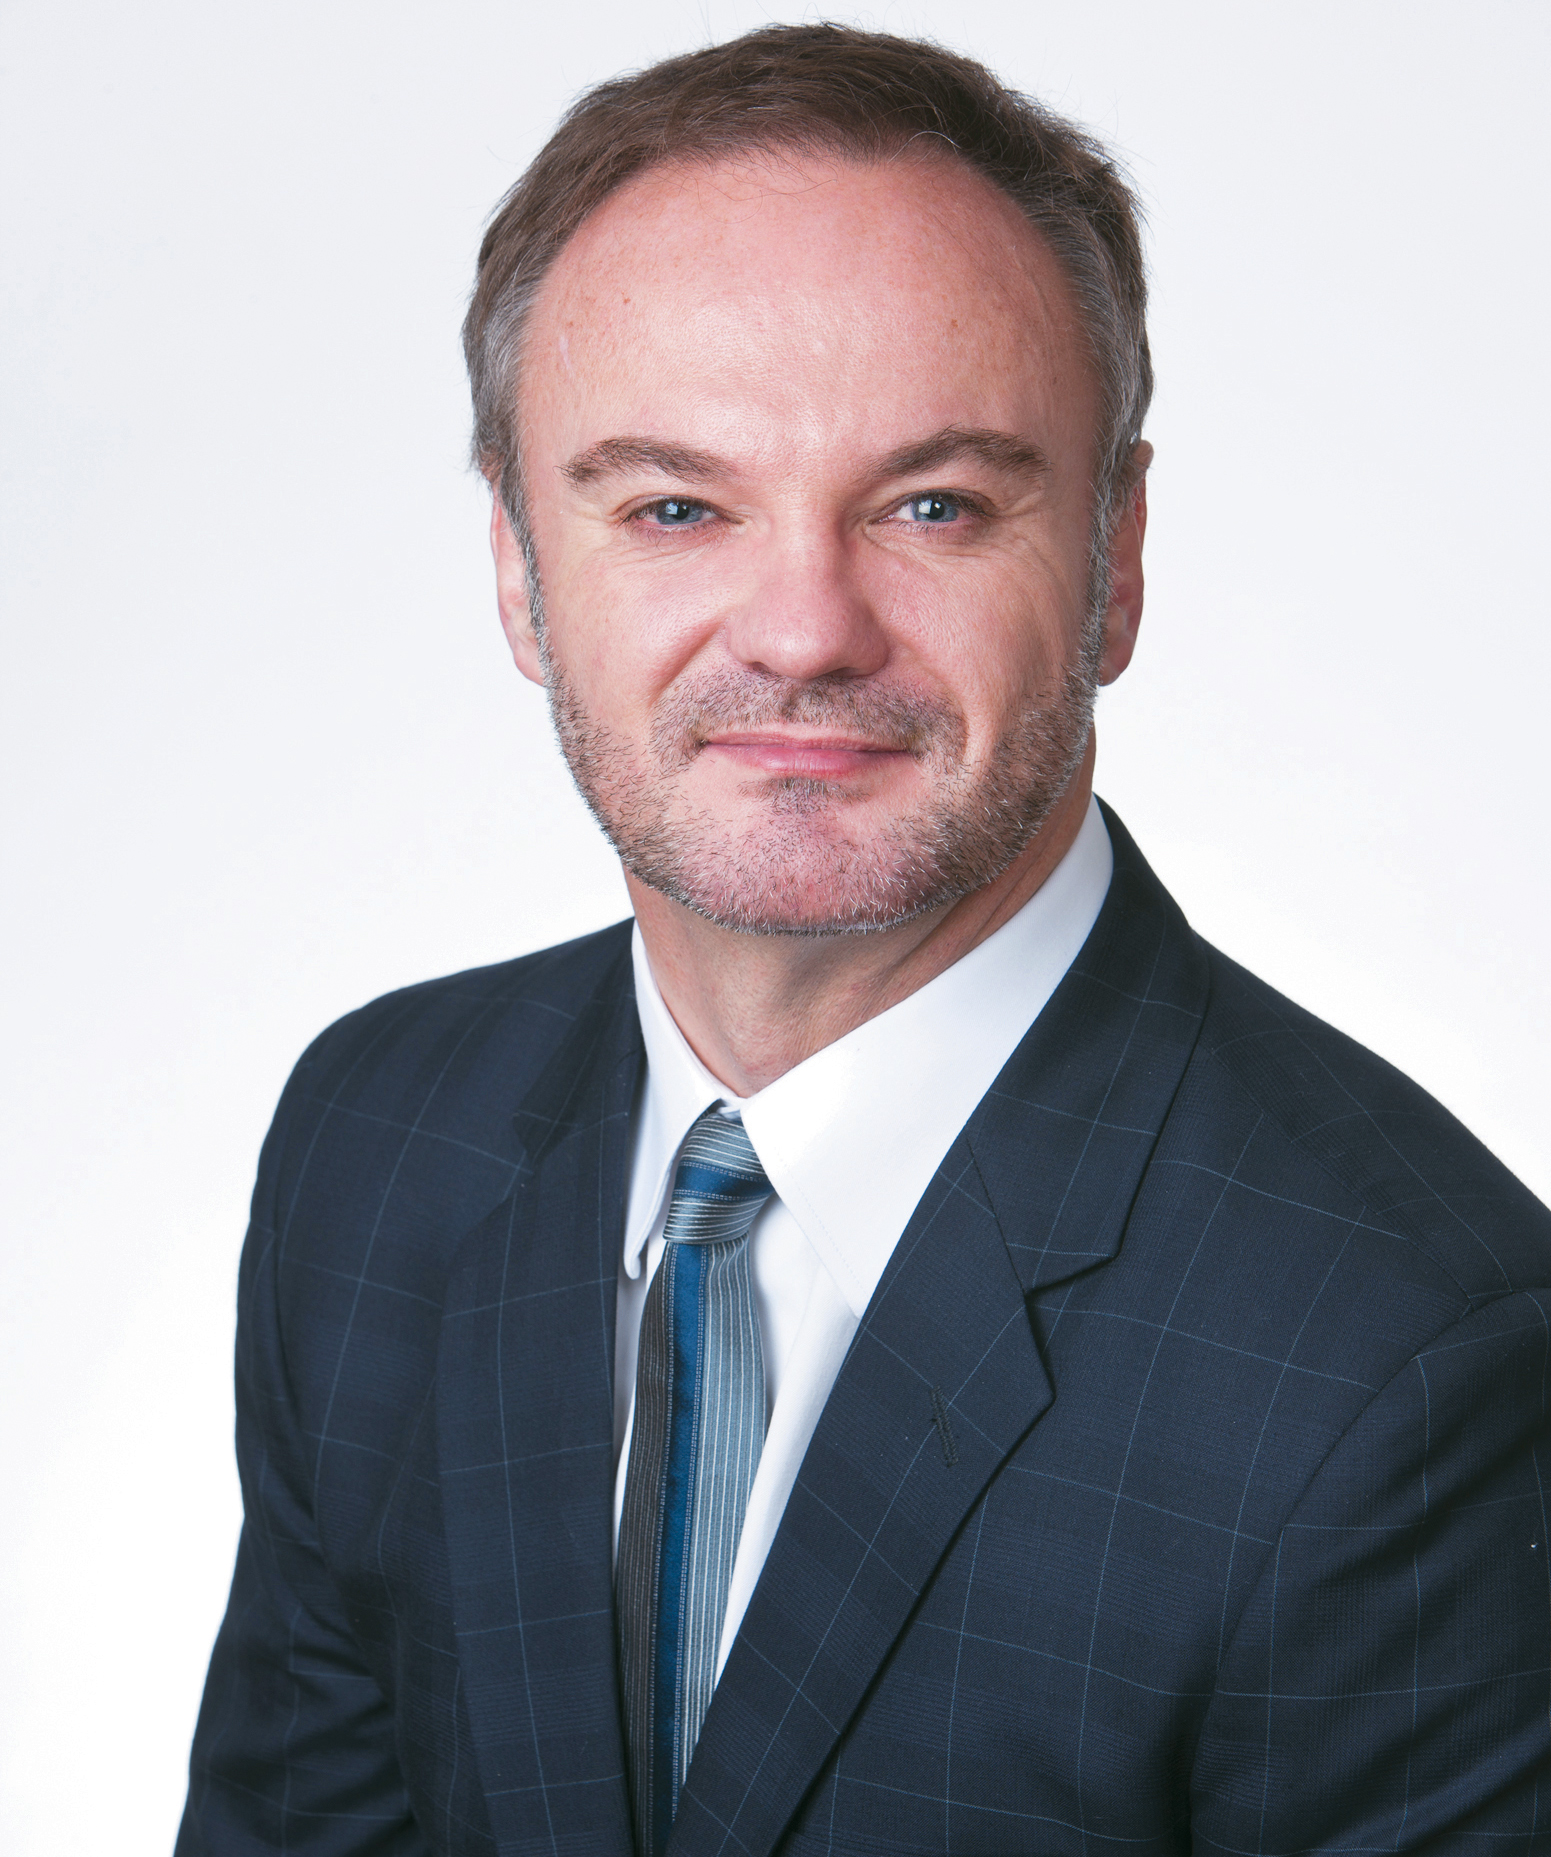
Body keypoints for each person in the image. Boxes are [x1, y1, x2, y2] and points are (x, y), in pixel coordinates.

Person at [177, 24, 1551, 1856]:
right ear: (518, 567)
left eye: (934, 506)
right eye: (676, 506)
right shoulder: (378, 1145)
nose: (806, 628)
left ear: (1117, 558)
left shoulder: (1410, 1359)